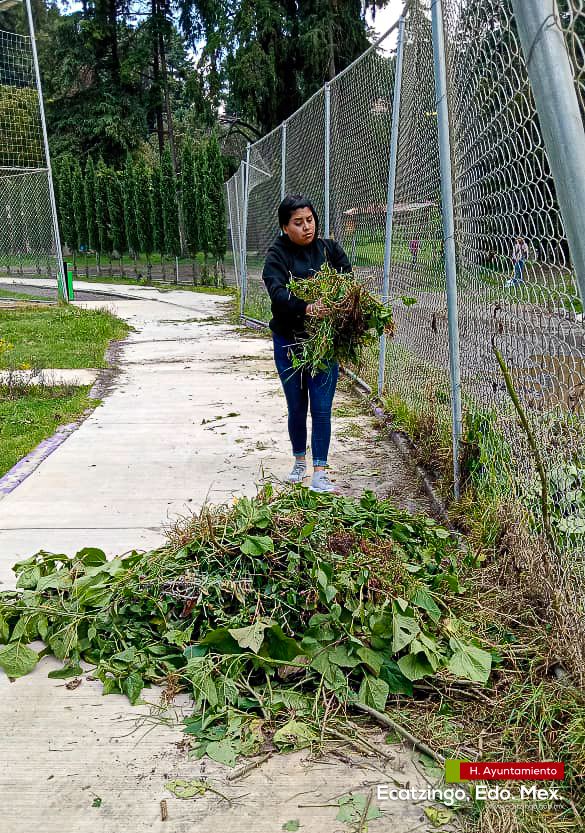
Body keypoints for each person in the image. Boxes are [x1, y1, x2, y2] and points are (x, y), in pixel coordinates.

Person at [262, 194, 352, 493]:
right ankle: (300, 461)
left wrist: (339, 302)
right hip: (289, 342)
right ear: (285, 227)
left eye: (310, 220)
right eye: (298, 223)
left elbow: (347, 280)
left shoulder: (329, 250)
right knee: (297, 406)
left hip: (323, 343)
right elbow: (277, 292)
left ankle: (320, 471)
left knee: (323, 408)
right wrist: (306, 307)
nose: (306, 227)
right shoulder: (277, 255)